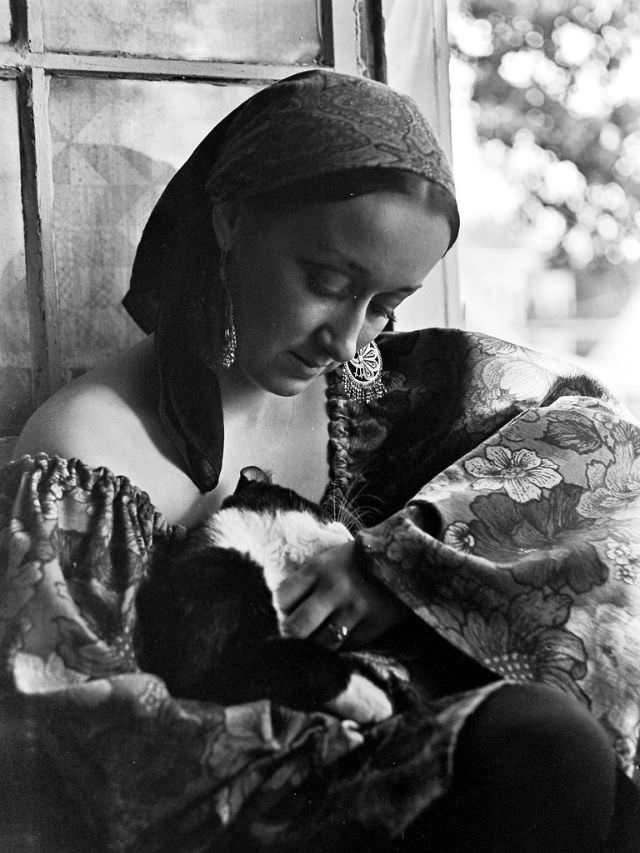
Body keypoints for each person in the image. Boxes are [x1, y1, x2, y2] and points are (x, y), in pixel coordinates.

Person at [2, 69, 640, 852]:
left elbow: (605, 454)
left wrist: (404, 562)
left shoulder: (395, 392)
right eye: (327, 283)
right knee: (542, 740)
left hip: (436, 766)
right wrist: (327, 703)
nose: (346, 339)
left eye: (386, 306)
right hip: (255, 808)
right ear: (231, 218)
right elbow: (74, 734)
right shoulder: (87, 451)